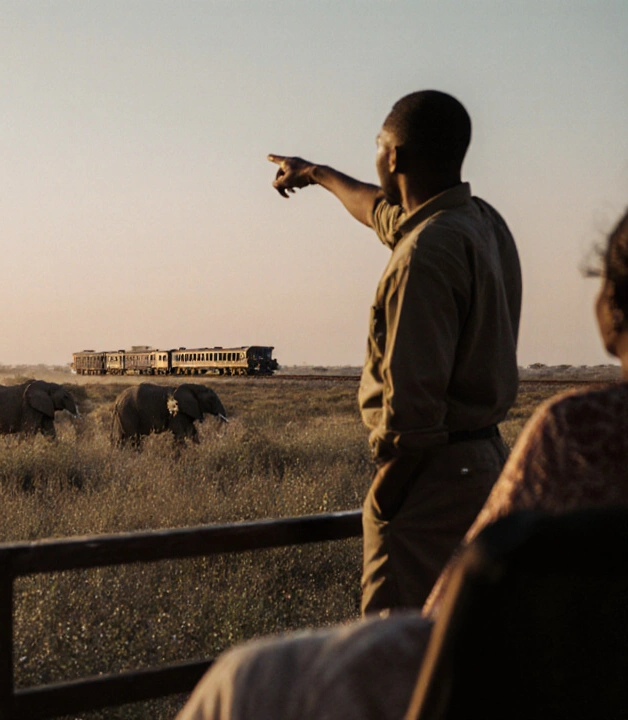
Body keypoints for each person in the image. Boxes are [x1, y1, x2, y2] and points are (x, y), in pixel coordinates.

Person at [177, 205, 628, 720]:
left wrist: (387, 497)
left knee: (243, 680)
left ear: (608, 308)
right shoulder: (475, 229)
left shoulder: (577, 430)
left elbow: (471, 588)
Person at [268, 90, 523, 614]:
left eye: (378, 145)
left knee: (396, 644)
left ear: (393, 157)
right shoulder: (480, 223)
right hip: (483, 464)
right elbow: (378, 210)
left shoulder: (425, 255)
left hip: (431, 480)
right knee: (467, 641)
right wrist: (315, 172)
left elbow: (413, 411)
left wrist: (386, 501)